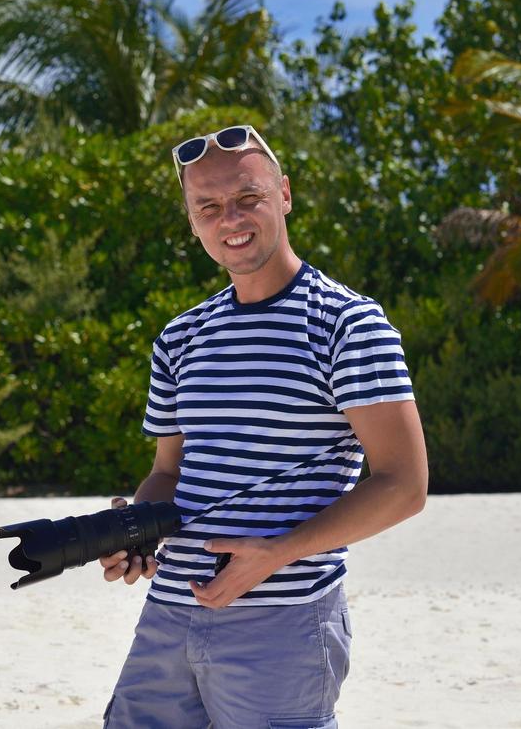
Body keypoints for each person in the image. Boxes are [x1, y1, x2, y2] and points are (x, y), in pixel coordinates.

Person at [98, 124, 429, 729]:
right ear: (193, 222)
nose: (231, 219)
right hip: (168, 614)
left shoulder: (348, 325)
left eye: (247, 197)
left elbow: (404, 485)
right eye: (209, 207)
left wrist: (275, 555)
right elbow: (167, 473)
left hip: (283, 624)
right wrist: (135, 530)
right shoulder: (180, 337)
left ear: (283, 194)